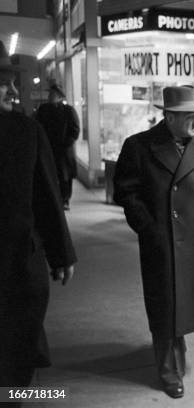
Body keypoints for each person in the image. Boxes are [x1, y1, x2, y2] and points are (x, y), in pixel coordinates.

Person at [113, 86, 194, 399]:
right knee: (164, 306)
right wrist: (148, 228)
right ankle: (168, 369)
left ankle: (177, 346)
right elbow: (126, 191)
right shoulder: (139, 146)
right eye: (190, 116)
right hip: (163, 241)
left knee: (185, 301)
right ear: (170, 117)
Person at [0, 41, 77, 393]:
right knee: (15, 364)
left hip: (17, 269)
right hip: (16, 272)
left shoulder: (29, 128)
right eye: (4, 80)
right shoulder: (24, 131)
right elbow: (45, 200)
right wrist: (61, 255)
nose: (13, 89)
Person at [35, 84, 80, 210]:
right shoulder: (43, 109)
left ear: (59, 97)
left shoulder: (68, 111)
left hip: (63, 151)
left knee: (65, 177)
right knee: (49, 174)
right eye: (50, 94)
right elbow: (38, 126)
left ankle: (65, 200)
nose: (50, 96)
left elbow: (74, 130)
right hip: (48, 149)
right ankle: (52, 199)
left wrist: (66, 144)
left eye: (52, 94)